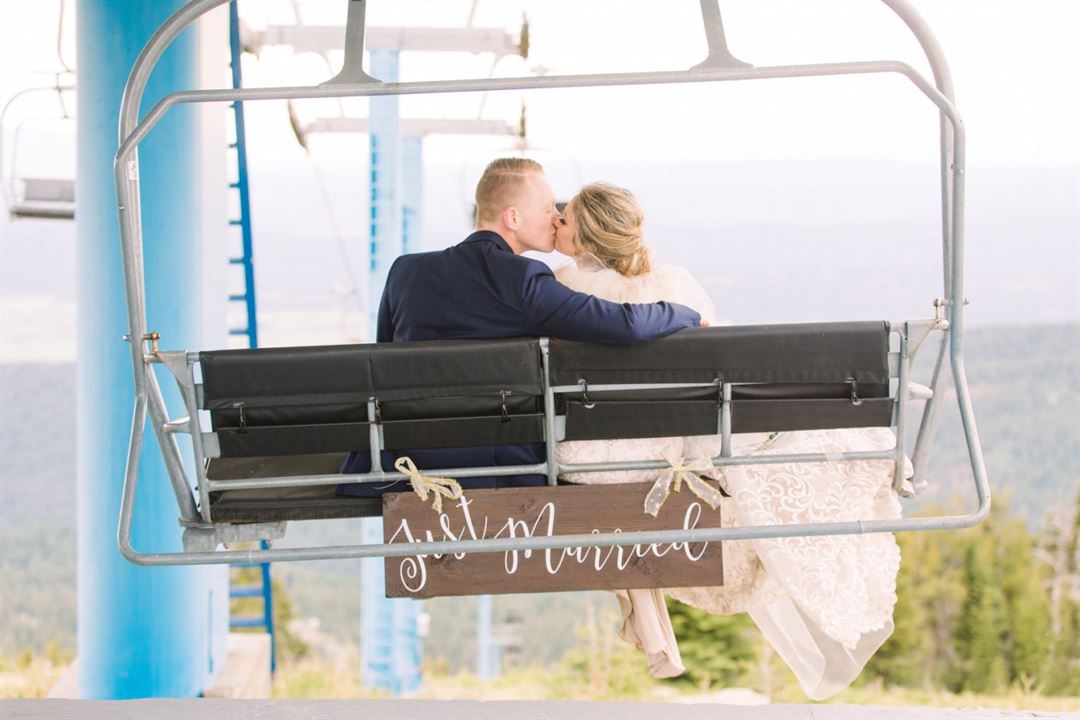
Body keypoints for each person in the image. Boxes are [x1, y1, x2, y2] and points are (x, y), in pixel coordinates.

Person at [553, 181, 909, 699]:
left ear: (586, 237)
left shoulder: (565, 287)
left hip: (598, 449)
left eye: (564, 217)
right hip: (670, 439)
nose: (556, 220)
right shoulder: (673, 285)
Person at [337, 160, 703, 498]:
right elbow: (625, 325)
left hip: (412, 462)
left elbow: (385, 364)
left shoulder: (405, 272)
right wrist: (684, 312)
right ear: (512, 217)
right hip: (499, 471)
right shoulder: (524, 281)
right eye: (548, 209)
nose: (556, 218)